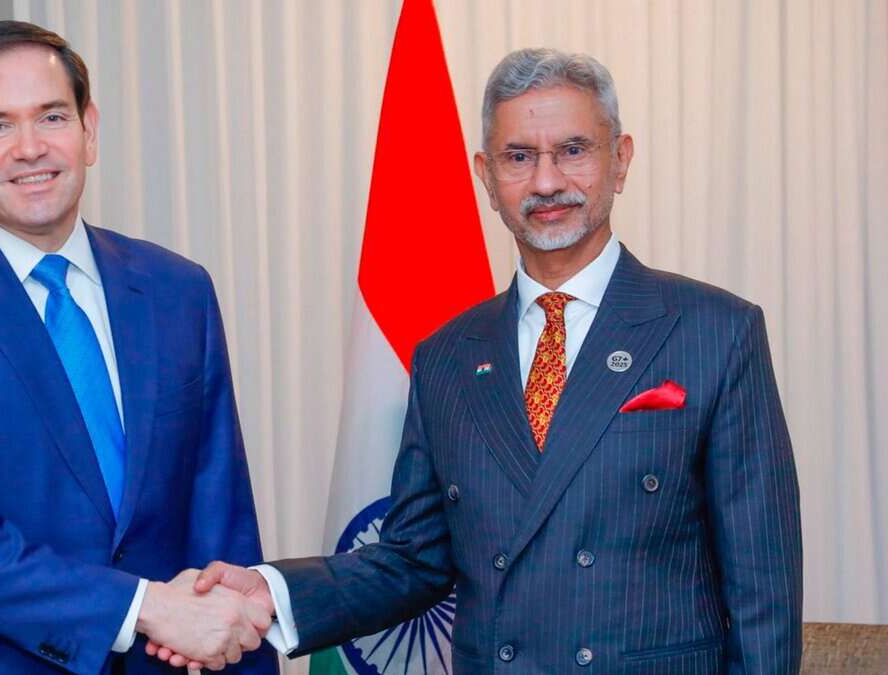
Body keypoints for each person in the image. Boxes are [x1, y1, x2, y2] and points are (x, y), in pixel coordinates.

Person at [162, 48, 803, 673]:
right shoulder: (445, 357)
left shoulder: (716, 332)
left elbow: (763, 590)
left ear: (621, 159)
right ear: (486, 176)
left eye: (573, 151)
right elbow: (415, 557)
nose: (547, 181)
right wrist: (274, 594)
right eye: (518, 157)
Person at [0, 21, 278, 674]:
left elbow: (220, 521)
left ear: (88, 130)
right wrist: (142, 606)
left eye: (51, 116)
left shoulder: (178, 290)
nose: (30, 147)